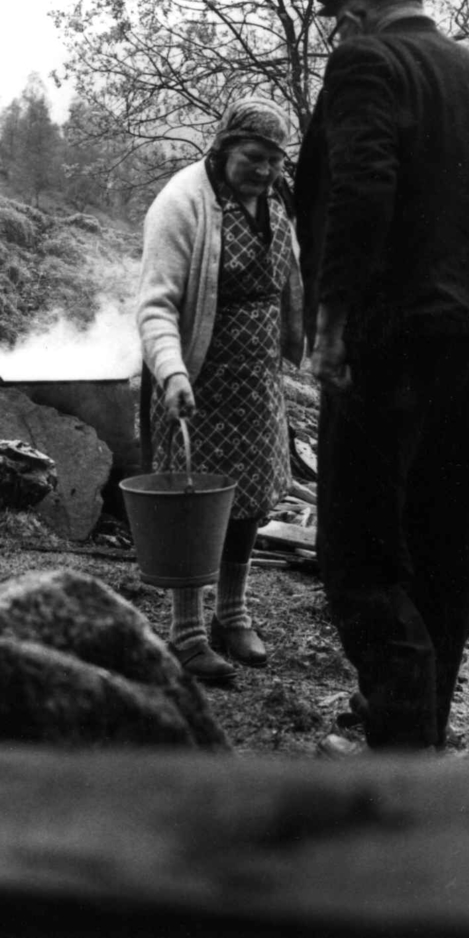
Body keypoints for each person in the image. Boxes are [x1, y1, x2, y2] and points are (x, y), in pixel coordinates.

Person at [293, 0, 469, 753]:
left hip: (393, 338)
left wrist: (332, 318)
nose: (340, 33)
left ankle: (399, 754)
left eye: (341, 20)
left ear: (359, 16)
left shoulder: (367, 60)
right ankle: (418, 730)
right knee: (447, 543)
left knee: (359, 550)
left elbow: (361, 190)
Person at [137, 96, 304, 684]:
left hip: (257, 379)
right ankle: (186, 633)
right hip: (197, 378)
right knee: (192, 502)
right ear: (224, 148)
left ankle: (231, 613)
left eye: (275, 162)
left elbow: (289, 281)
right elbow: (155, 304)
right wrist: (172, 372)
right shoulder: (182, 204)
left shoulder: (276, 201)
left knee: (250, 500)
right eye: (253, 158)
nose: (265, 171)